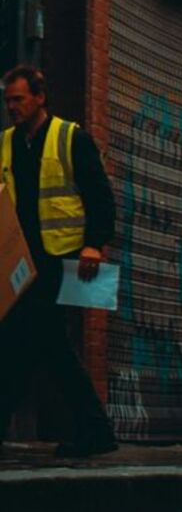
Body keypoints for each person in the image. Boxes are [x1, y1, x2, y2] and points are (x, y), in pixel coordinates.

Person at [0, 66, 118, 457]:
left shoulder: (71, 137)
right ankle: (95, 429)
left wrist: (94, 245)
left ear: (39, 97)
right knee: (29, 343)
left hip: (60, 258)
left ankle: (96, 430)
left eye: (18, 99)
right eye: (7, 100)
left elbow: (100, 197)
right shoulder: (6, 143)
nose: (11, 107)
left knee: (39, 340)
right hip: (22, 263)